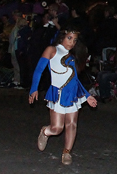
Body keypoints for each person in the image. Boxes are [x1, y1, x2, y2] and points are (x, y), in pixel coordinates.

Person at [29, 27, 97, 165]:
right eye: (69, 38)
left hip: (72, 94)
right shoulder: (51, 50)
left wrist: (87, 96)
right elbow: (38, 70)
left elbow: (75, 80)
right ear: (62, 37)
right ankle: (45, 132)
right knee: (57, 128)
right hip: (58, 93)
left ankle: (67, 152)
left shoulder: (72, 58)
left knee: (72, 124)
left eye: (75, 40)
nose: (72, 43)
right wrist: (33, 89)